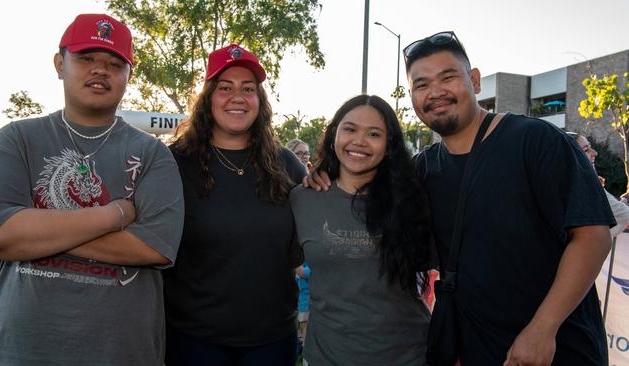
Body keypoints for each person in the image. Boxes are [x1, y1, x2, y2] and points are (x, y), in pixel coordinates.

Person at [307, 31, 614, 365]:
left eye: (448, 77)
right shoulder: (424, 169)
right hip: (472, 349)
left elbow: (592, 237)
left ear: (475, 80)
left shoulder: (535, 141)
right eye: (421, 84)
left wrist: (543, 327)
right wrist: (325, 173)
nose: (435, 92)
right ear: (412, 96)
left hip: (554, 349)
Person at [0, 13, 184, 365]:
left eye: (114, 63)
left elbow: (156, 247)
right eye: (86, 58)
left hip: (121, 353)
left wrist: (34, 230)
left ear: (127, 75)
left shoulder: (153, 153)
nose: (100, 70)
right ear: (60, 64)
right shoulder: (16, 138)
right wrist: (116, 214)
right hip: (21, 352)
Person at [164, 44, 307, 366]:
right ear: (208, 97)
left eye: (248, 89)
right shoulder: (175, 162)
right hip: (194, 339)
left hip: (272, 339)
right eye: (225, 88)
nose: (237, 97)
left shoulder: (286, 163)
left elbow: (310, 235)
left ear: (260, 100)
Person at [292, 94, 435, 365]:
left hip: (406, 356)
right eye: (350, 129)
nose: (359, 141)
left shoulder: (411, 199)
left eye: (374, 134)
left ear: (389, 144)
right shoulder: (302, 198)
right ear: (334, 135)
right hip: (326, 357)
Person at [568, 132, 629, 237]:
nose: (594, 153)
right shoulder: (586, 186)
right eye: (586, 150)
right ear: (571, 157)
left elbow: (611, 209)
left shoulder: (564, 185)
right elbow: (624, 214)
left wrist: (625, 200)